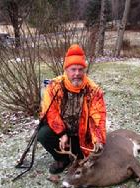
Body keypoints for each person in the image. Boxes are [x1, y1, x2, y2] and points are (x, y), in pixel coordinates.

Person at [37, 44, 106, 174]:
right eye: (73, 69)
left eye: (80, 69)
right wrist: (62, 134)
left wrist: (97, 139)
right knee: (43, 134)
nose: (77, 74)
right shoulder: (54, 86)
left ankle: (78, 152)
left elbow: (98, 117)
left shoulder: (94, 90)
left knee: (91, 157)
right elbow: (50, 112)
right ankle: (62, 159)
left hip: (82, 135)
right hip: (62, 133)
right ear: (66, 70)